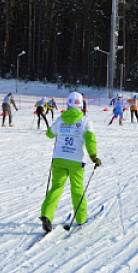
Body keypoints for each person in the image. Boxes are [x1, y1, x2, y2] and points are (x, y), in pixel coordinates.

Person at [39, 92, 100, 233]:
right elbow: (90, 139)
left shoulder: (61, 119)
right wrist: (94, 157)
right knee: (77, 190)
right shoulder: (85, 121)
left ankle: (47, 215)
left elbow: (49, 134)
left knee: (56, 188)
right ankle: (81, 218)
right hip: (76, 161)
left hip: (59, 159)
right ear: (81, 105)